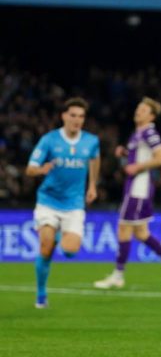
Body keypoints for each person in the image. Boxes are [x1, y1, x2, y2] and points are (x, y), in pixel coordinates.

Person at [94, 97, 161, 289]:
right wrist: (127, 155)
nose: (138, 111)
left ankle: (118, 276)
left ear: (151, 116)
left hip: (138, 188)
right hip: (136, 187)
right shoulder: (138, 133)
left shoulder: (149, 132)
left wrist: (137, 167)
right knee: (141, 232)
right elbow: (142, 156)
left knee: (123, 228)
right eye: (138, 108)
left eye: (143, 109)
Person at [26, 97, 101, 309]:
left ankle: (59, 234)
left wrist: (92, 185)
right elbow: (30, 168)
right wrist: (41, 170)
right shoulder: (49, 140)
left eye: (81, 116)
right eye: (73, 115)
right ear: (64, 116)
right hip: (48, 200)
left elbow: (95, 160)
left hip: (74, 203)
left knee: (70, 250)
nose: (77, 120)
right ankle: (41, 294)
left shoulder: (91, 141)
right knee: (46, 247)